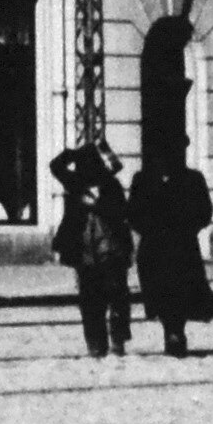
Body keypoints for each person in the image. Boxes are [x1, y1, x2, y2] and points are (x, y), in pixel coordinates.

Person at [131, 152, 213, 357]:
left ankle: (175, 333)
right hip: (153, 247)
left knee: (180, 290)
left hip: (182, 246)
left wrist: (188, 228)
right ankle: (171, 331)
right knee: (159, 291)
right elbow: (133, 212)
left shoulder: (193, 179)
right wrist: (150, 229)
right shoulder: (142, 180)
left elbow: (205, 211)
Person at [49, 144, 133, 359]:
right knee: (92, 301)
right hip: (86, 252)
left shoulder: (109, 185)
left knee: (114, 298)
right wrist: (72, 152)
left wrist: (96, 205)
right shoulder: (78, 184)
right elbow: (55, 166)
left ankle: (115, 341)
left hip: (110, 250)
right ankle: (98, 344)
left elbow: (122, 212)